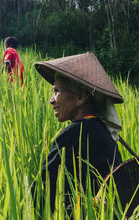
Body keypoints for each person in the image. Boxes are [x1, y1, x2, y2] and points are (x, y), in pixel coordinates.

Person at [34, 52, 124, 211]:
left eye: (56, 91)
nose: (51, 100)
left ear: (80, 97)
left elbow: (41, 193)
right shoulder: (102, 131)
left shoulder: (75, 135)